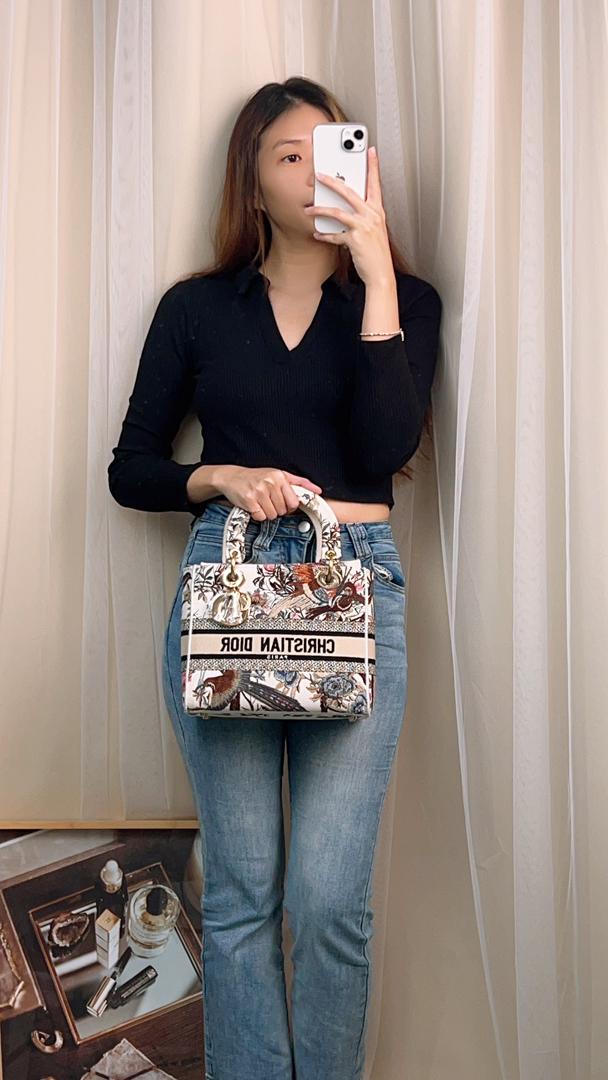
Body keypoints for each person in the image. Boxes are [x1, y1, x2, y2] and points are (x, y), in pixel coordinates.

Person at [108, 76, 441, 1080]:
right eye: (287, 156)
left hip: (355, 581)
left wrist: (375, 278)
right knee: (241, 893)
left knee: (330, 902)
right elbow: (131, 468)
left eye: (330, 151)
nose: (312, 173)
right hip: (230, 577)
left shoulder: (405, 301)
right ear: (250, 182)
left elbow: (383, 449)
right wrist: (218, 474)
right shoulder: (197, 308)